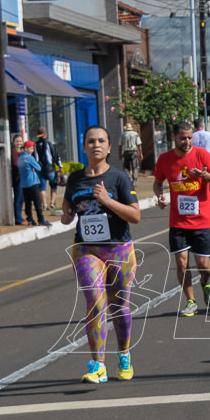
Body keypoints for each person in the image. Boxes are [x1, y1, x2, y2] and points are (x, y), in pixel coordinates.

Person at [59, 126, 141, 383]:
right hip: (86, 249)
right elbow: (68, 205)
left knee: (120, 307)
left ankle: (124, 353)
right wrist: (67, 214)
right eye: (91, 141)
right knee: (95, 301)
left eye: (101, 141)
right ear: (83, 147)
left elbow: (135, 216)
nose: (96, 145)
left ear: (108, 147)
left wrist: (107, 200)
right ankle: (98, 365)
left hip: (119, 248)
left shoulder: (119, 178)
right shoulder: (75, 179)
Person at [153, 121, 210, 318]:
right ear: (174, 137)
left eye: (189, 138)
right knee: (182, 263)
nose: (187, 142)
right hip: (178, 221)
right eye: (182, 138)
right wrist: (159, 196)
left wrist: (205, 175)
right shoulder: (165, 159)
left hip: (202, 219)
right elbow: (158, 182)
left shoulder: (202, 155)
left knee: (203, 265)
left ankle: (205, 282)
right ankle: (191, 301)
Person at [192, 118, 210, 211]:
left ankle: (197, 202)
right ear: (202, 125)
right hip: (207, 160)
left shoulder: (192, 136)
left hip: (194, 160)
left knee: (196, 182)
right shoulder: (209, 134)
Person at [19, 140, 49, 226]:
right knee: (37, 202)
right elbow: (39, 168)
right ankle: (41, 219)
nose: (32, 150)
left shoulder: (20, 158)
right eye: (31, 148)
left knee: (28, 203)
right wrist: (33, 168)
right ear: (26, 148)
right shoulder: (29, 158)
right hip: (32, 182)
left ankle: (30, 219)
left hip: (23, 184)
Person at [35, 127, 61, 212]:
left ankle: (44, 205)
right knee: (53, 186)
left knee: (42, 187)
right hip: (50, 168)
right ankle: (52, 202)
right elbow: (55, 155)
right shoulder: (50, 144)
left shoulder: (36, 145)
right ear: (45, 134)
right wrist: (60, 166)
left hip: (40, 169)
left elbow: (36, 158)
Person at [10, 133, 25, 225]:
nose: (19, 143)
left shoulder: (22, 151)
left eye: (20, 141)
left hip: (23, 178)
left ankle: (20, 216)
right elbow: (16, 163)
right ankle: (17, 218)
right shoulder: (14, 151)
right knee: (18, 198)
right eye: (17, 141)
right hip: (18, 177)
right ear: (13, 142)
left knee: (22, 198)